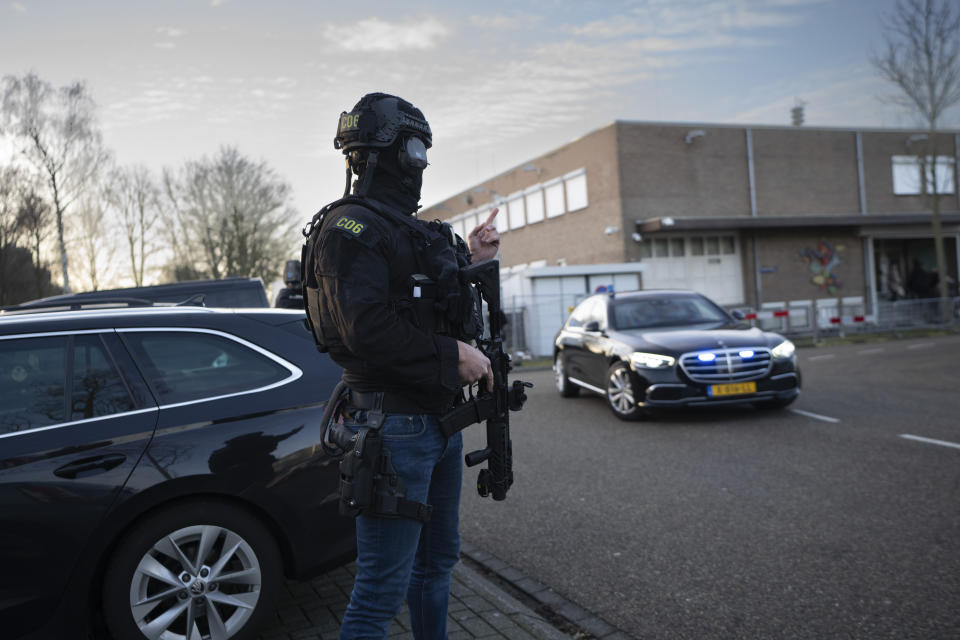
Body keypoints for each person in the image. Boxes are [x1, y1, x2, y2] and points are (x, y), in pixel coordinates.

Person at [302, 93, 501, 639]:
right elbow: (363, 328)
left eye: (426, 150)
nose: (422, 163)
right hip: (393, 431)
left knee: (436, 566)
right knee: (380, 590)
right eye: (415, 147)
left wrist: (476, 261)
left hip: (438, 422)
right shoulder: (349, 230)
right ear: (381, 149)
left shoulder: (406, 230)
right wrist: (450, 356)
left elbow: (435, 307)